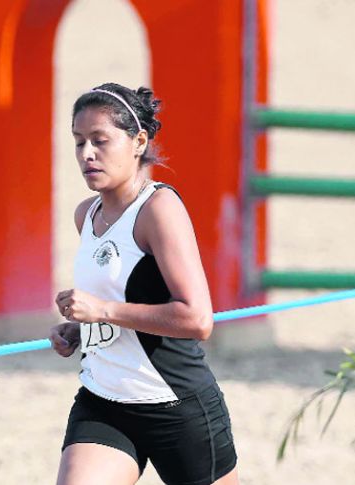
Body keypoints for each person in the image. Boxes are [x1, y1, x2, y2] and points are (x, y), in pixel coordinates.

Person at [50, 82, 239, 485]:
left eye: (100, 141)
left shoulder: (159, 209)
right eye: (78, 142)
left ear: (138, 141)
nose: (87, 154)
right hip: (104, 402)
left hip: (176, 405)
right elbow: (124, 304)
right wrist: (83, 331)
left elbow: (197, 320)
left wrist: (101, 311)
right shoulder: (86, 215)